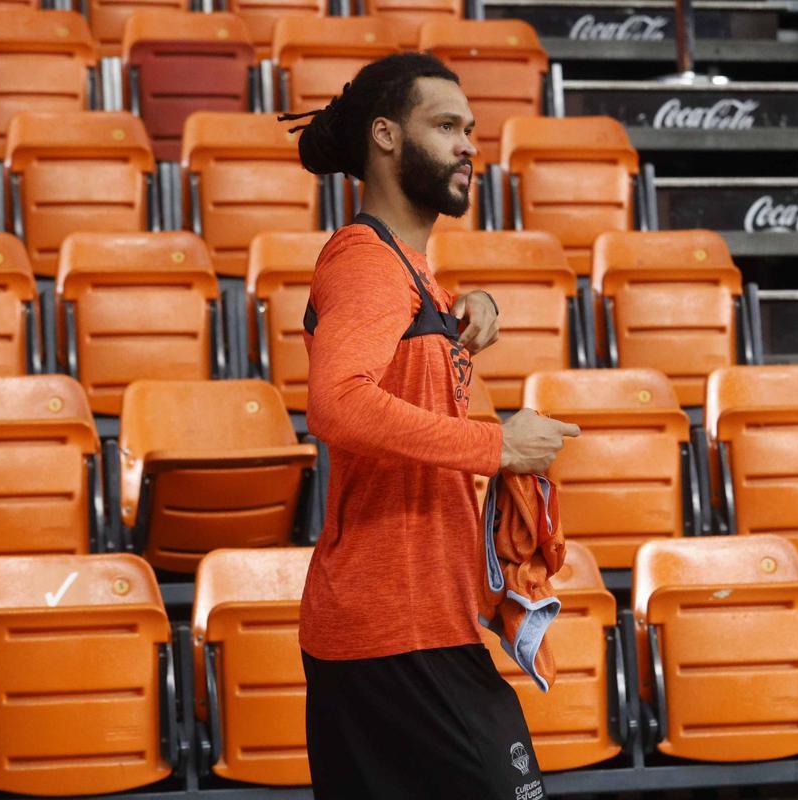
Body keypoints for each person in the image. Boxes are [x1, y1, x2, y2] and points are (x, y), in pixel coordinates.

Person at [283, 52, 580, 800]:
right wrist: (499, 444)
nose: (468, 145)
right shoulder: (364, 262)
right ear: (386, 136)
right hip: (392, 632)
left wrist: (463, 304)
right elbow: (338, 404)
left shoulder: (408, 271)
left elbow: (401, 380)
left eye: (471, 129)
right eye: (446, 125)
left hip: (418, 624)